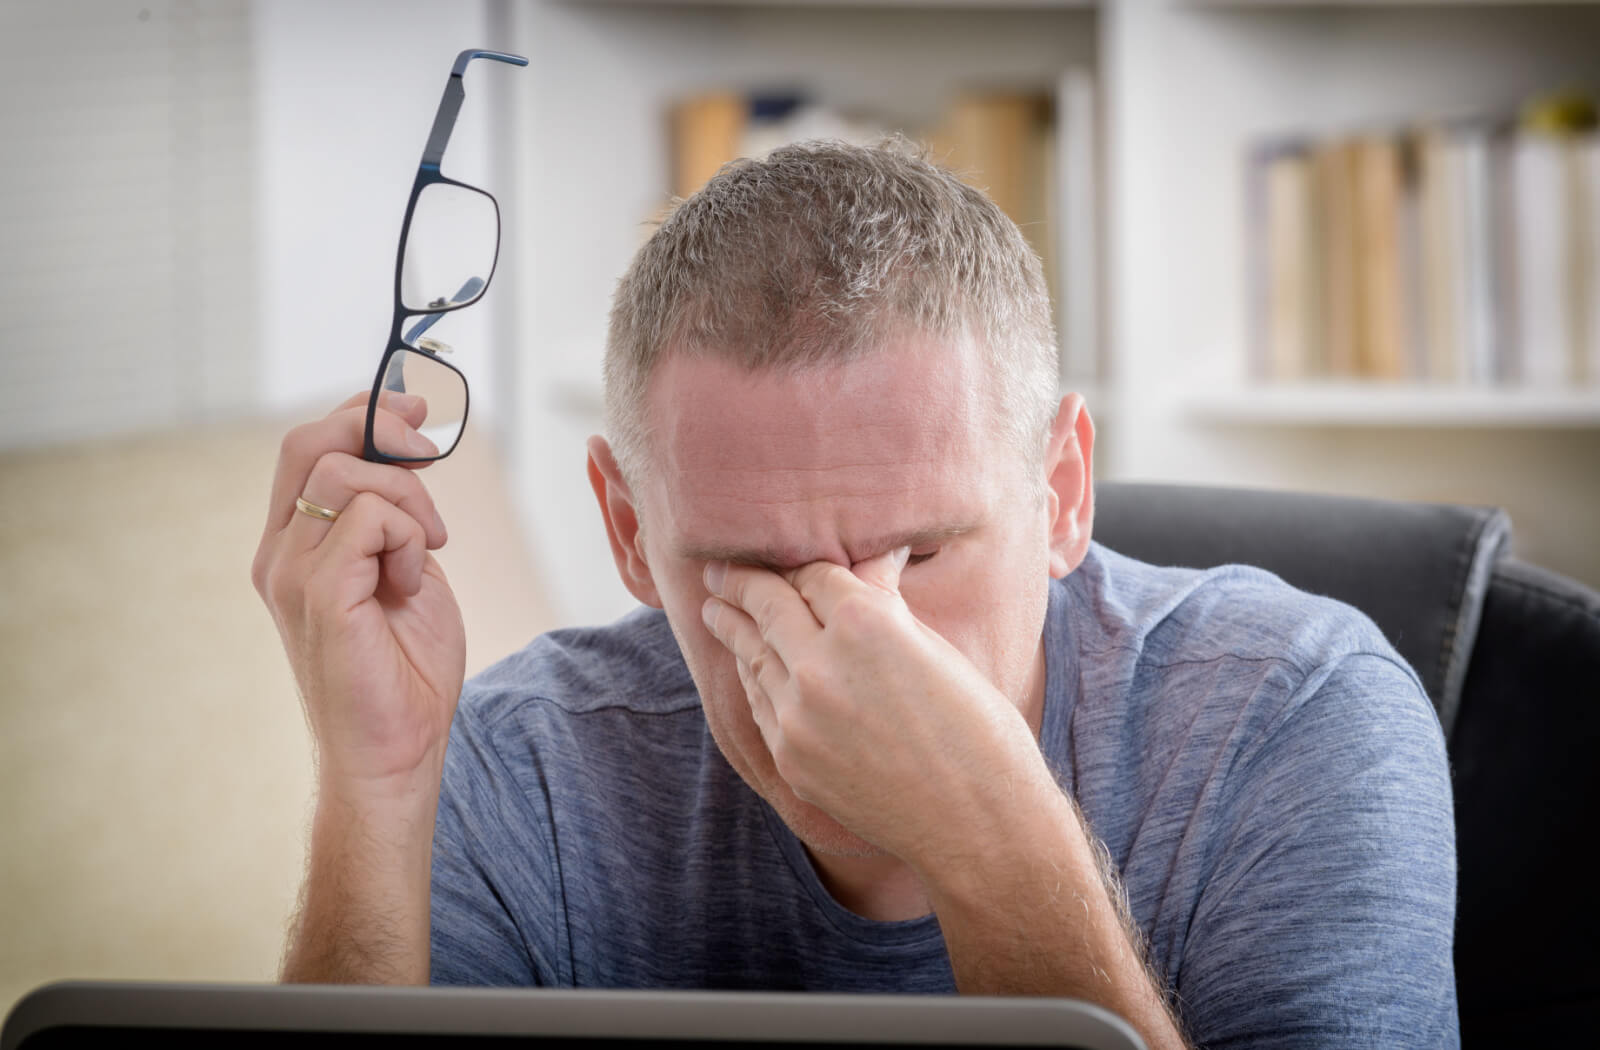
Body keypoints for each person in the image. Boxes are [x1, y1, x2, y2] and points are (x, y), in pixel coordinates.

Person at [252, 140, 1459, 1048]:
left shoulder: (1299, 721)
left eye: (919, 556)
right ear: (627, 527)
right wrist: (376, 792)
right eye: (754, 574)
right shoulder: (528, 769)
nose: (848, 647)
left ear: (1063, 488)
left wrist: (988, 832)